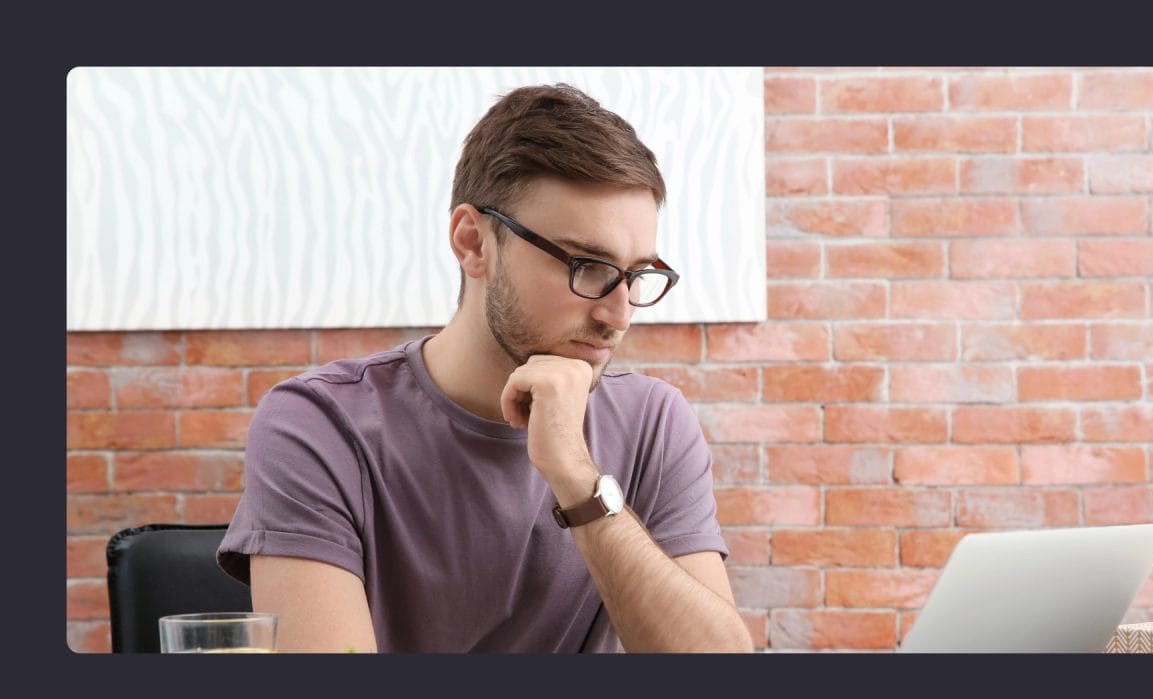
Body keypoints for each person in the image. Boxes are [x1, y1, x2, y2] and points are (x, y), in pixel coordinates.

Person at [216, 82, 754, 653]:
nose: (618, 314)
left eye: (637, 274)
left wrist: (576, 475)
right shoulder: (319, 426)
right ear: (474, 242)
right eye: (588, 266)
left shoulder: (653, 423)